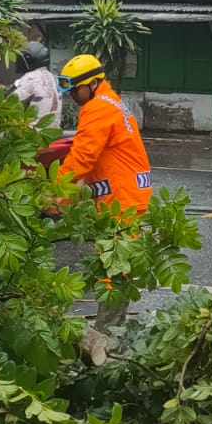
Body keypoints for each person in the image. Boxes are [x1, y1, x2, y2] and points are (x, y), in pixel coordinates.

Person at [56, 53, 153, 340]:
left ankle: (106, 337)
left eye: (75, 89)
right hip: (126, 195)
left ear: (92, 83)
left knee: (114, 269)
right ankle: (111, 331)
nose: (73, 95)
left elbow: (82, 158)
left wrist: (54, 190)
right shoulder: (111, 102)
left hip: (121, 200)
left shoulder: (97, 108)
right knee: (115, 267)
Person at [13, 40, 61, 123]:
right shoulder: (53, 78)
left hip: (33, 132)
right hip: (52, 131)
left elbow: (9, 103)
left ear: (28, 59)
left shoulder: (29, 79)